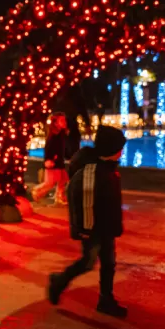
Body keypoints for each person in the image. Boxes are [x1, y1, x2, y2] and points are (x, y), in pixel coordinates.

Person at [47, 125, 128, 318]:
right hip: (93, 229)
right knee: (88, 262)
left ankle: (106, 300)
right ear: (111, 150)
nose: (122, 152)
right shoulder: (93, 171)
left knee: (109, 263)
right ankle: (59, 281)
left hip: (105, 226)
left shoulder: (107, 168)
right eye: (119, 148)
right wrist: (85, 229)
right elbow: (85, 201)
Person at [31, 113, 69, 205]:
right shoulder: (53, 136)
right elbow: (48, 149)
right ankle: (37, 191)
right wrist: (49, 159)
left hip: (58, 161)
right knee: (50, 182)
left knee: (63, 179)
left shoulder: (60, 134)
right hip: (53, 162)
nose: (64, 122)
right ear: (55, 123)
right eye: (61, 121)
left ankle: (59, 197)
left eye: (64, 120)